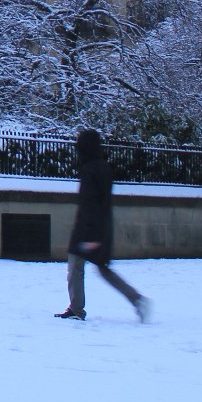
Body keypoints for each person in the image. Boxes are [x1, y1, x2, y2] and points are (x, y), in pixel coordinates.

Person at [55, 127, 150, 323]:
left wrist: (89, 236)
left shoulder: (89, 169)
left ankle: (76, 309)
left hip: (88, 231)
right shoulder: (103, 167)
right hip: (101, 227)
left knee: (75, 267)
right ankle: (136, 299)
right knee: (102, 269)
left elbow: (89, 203)